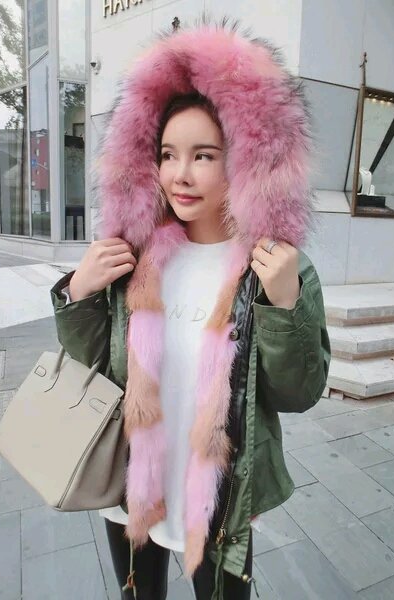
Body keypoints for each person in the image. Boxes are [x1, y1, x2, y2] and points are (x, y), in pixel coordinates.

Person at [51, 17, 331, 600]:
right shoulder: (133, 257)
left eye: (204, 155)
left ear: (246, 161)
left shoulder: (273, 268)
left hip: (222, 496)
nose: (180, 174)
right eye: (167, 154)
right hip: (132, 486)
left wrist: (284, 305)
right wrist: (78, 293)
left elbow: (298, 392)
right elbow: (92, 364)